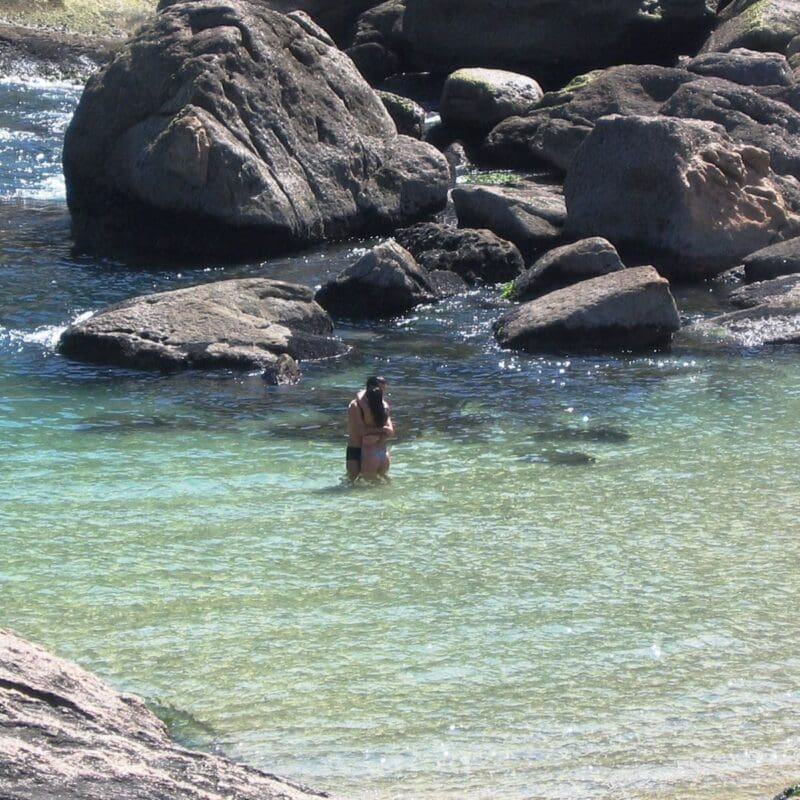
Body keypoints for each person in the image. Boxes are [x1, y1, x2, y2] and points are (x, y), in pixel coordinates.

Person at [346, 376, 393, 482]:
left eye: (383, 390)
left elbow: (390, 431)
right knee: (352, 481)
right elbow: (360, 431)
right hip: (357, 448)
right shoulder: (356, 406)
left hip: (374, 450)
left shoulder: (382, 405)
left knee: (369, 482)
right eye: (379, 389)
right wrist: (382, 431)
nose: (381, 393)